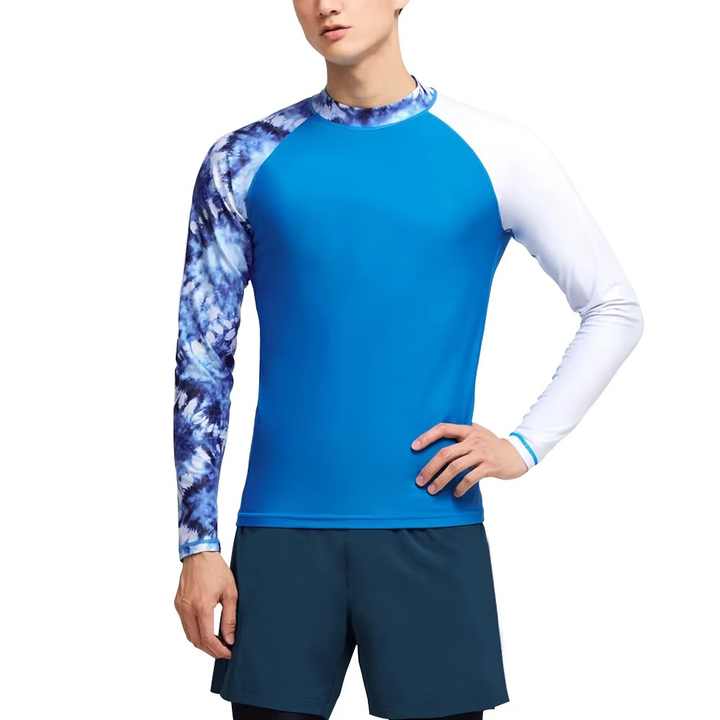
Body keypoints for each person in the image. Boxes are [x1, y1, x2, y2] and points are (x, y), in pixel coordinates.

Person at [172, 2, 644, 719]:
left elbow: (613, 307)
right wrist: (198, 543)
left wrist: (525, 445)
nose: (327, 4)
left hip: (432, 524)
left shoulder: (496, 150)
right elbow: (203, 358)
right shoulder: (243, 159)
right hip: (280, 536)